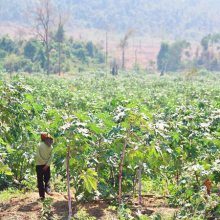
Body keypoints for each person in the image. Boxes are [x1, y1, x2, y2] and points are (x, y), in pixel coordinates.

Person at [36, 133, 53, 200]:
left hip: (39, 165)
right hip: (47, 166)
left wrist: (42, 163)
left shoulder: (39, 145)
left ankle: (42, 196)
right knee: (47, 179)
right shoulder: (51, 146)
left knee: (40, 181)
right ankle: (47, 188)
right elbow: (51, 157)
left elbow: (37, 155)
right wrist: (46, 165)